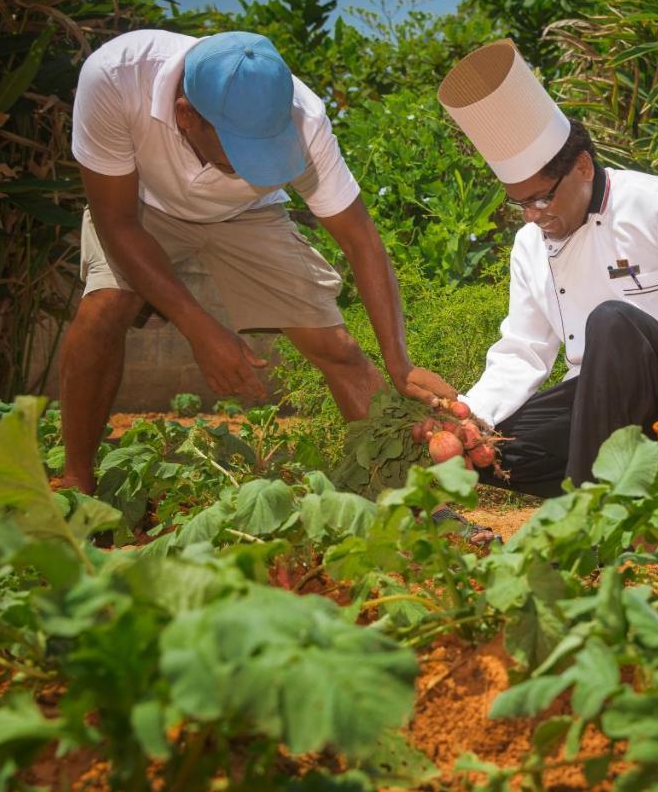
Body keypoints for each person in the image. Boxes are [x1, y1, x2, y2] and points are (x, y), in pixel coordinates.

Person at [61, 30, 456, 493]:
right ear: (186, 115)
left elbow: (362, 242)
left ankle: (401, 498)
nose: (253, 166)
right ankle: (76, 482)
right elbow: (117, 224)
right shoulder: (114, 78)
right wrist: (201, 329)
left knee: (337, 347)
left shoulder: (305, 118)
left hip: (248, 214)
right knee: (103, 308)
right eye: (241, 151)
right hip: (143, 208)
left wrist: (399, 361)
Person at [438, 39, 658, 505]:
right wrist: (470, 419)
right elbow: (524, 352)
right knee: (496, 451)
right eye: (519, 203)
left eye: (541, 198)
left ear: (582, 166)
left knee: (612, 322)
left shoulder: (650, 201)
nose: (532, 216)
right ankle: (634, 491)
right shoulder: (528, 246)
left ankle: (590, 516)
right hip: (597, 408)